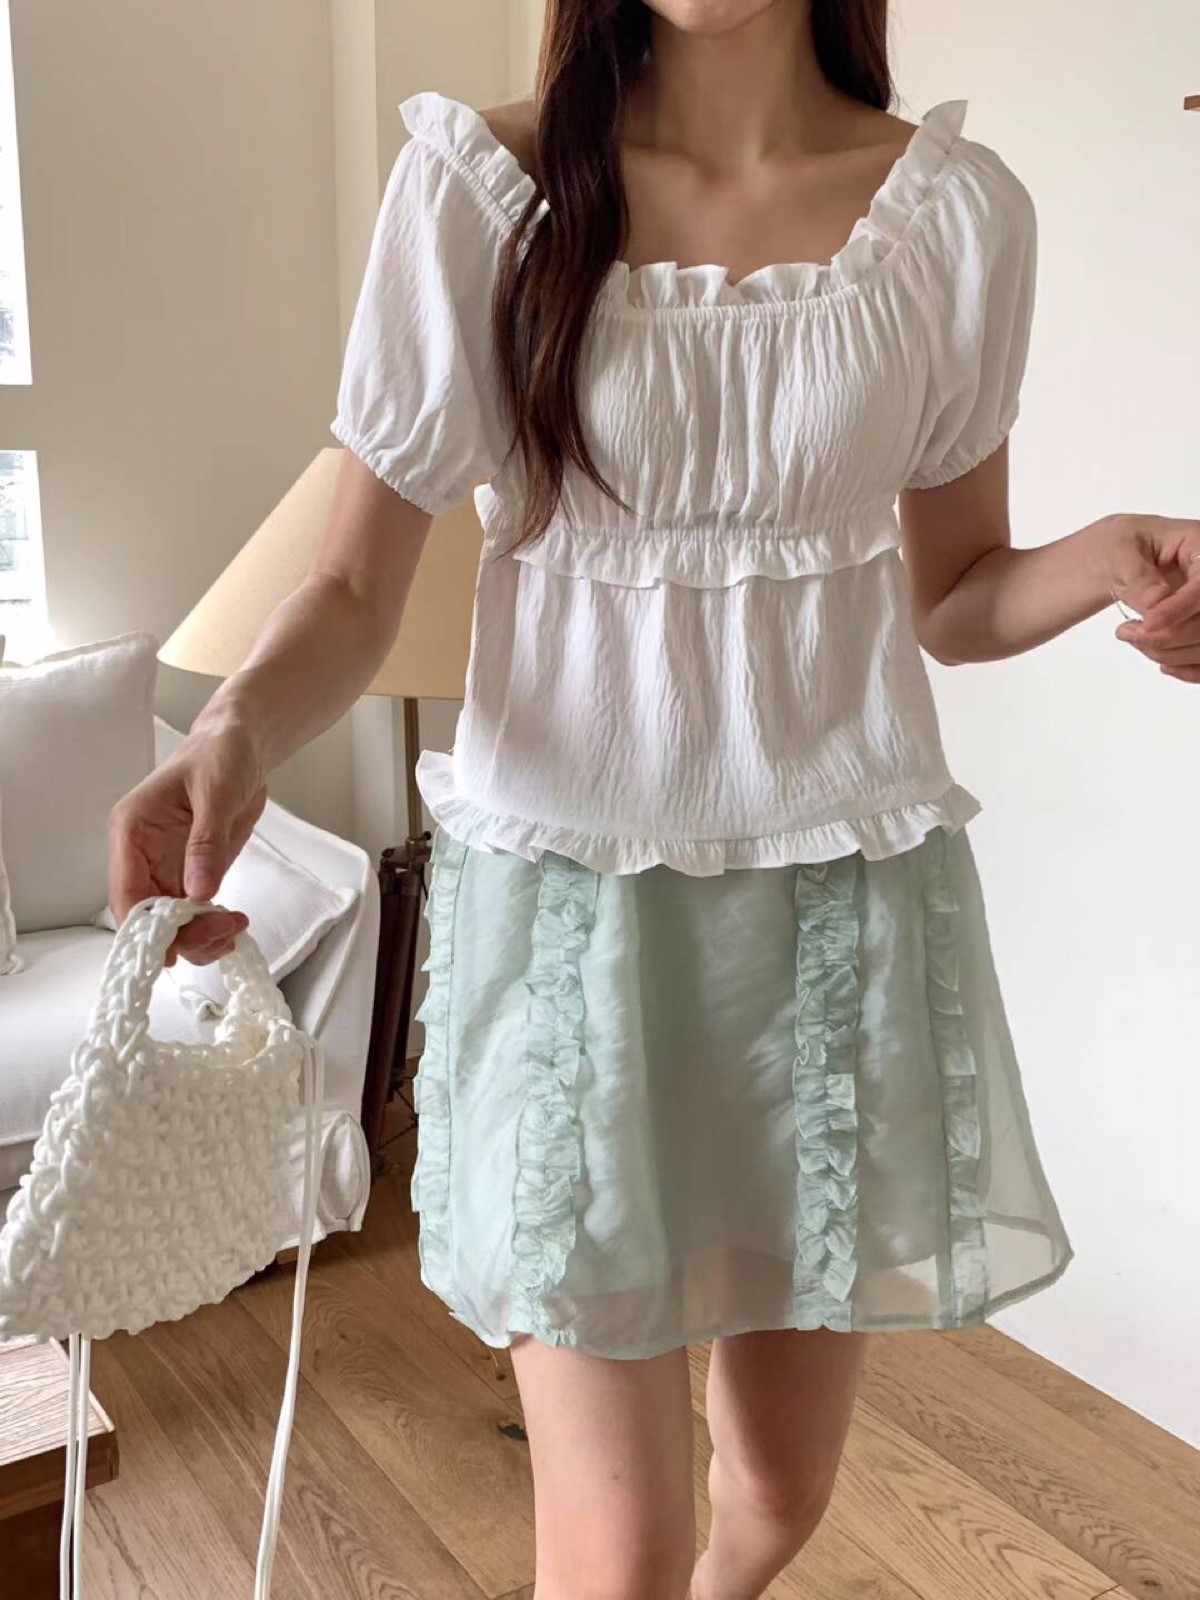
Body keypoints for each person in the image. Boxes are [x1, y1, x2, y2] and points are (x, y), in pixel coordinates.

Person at [109, 3, 1200, 1597]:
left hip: (830, 924)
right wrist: (232, 732)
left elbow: (954, 592)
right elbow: (351, 587)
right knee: (617, 1551)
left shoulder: (955, 216)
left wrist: (1106, 559)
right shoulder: (481, 193)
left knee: (778, 1492)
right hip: (575, 927)